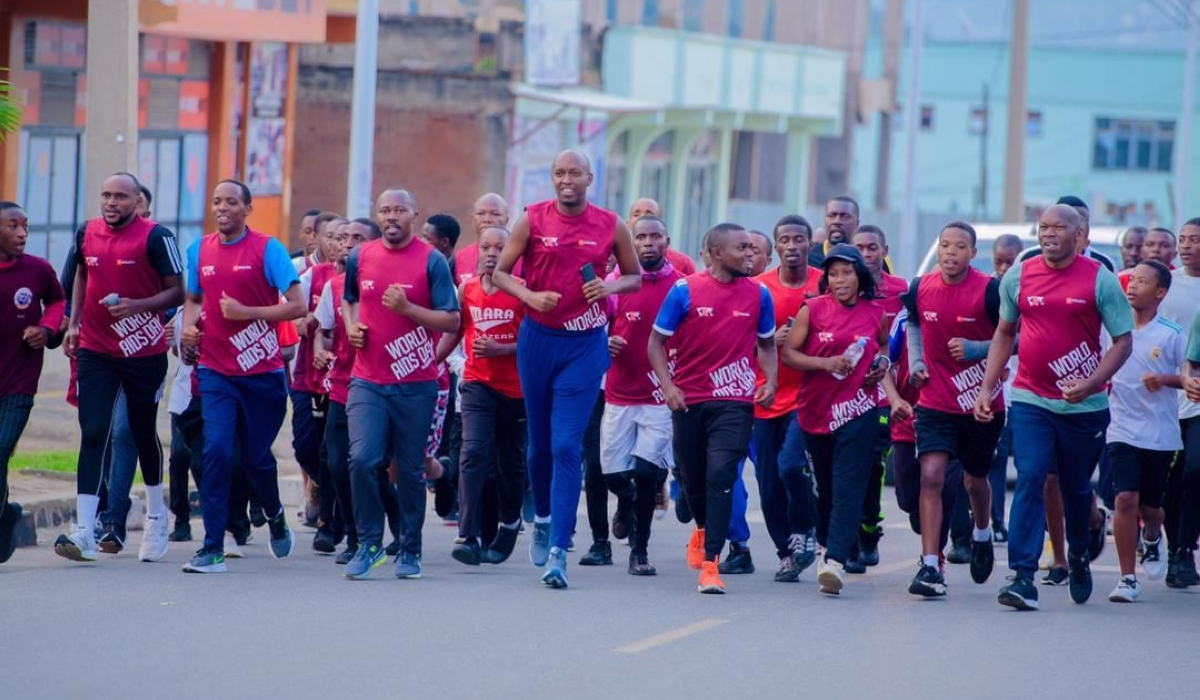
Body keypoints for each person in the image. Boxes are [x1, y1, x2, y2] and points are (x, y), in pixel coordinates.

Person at [492, 150, 640, 589]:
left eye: (575, 172)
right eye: (559, 173)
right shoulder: (532, 219)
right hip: (538, 341)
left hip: (585, 345)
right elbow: (500, 273)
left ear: (590, 178)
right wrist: (530, 297)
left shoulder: (612, 224)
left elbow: (633, 276)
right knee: (539, 446)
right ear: (552, 179)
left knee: (566, 445)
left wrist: (609, 288)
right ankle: (541, 518)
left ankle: (558, 550)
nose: (566, 180)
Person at [975, 204, 1133, 611]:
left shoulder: (1099, 278)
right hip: (1031, 398)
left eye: (1058, 227)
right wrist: (987, 388)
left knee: (1075, 488)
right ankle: (1022, 576)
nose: (1048, 233)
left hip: (1084, 406)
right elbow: (1004, 333)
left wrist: (1092, 383)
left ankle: (1078, 552)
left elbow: (1122, 342)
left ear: (1079, 234)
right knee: (1030, 477)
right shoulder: (1020, 275)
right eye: (1043, 227)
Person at [56, 172, 184, 564]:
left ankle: (157, 515)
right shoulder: (86, 232)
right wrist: (75, 323)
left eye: (121, 197)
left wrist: (137, 306)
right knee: (94, 431)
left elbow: (179, 290)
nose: (112, 203)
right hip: (96, 348)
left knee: (142, 432)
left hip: (143, 350)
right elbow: (82, 273)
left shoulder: (156, 237)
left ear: (137, 202)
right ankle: (85, 529)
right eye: (106, 195)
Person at [178, 179, 305, 573]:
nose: (222, 208)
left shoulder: (268, 250)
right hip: (216, 370)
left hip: (262, 373)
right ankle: (212, 548)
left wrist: (248, 313)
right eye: (217, 201)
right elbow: (194, 298)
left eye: (231, 202)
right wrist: (189, 327)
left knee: (255, 459)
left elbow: (298, 306)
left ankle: (275, 513)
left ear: (248, 209)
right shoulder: (199, 250)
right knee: (217, 452)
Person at [649, 223, 777, 594]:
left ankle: (711, 564)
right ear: (717, 253)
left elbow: (767, 346)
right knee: (693, 477)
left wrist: (770, 381)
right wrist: (668, 386)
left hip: (736, 401)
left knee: (722, 474)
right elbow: (655, 343)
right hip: (689, 399)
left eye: (752, 248)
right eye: (742, 248)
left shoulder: (760, 294)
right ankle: (703, 528)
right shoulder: (685, 291)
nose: (750, 254)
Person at [340, 189, 459, 581]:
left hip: (416, 383)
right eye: (385, 210)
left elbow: (451, 320)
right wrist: (352, 326)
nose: (392, 216)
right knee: (362, 459)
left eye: (399, 210)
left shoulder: (432, 260)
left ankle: (410, 548)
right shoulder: (360, 256)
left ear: (414, 214)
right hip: (368, 380)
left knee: (408, 470)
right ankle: (369, 543)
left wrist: (408, 309)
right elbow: (349, 299)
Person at [782, 244, 912, 595]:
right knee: (824, 488)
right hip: (816, 412)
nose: (840, 280)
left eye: (847, 273)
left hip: (859, 410)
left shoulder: (876, 313)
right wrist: (825, 363)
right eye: (833, 274)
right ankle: (826, 543)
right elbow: (789, 353)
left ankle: (835, 560)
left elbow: (883, 348)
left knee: (849, 485)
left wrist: (883, 368)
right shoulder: (812, 309)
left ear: (860, 276)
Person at [903, 222, 1004, 597]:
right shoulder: (920, 287)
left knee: (974, 481)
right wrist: (916, 362)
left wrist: (976, 349)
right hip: (935, 400)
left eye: (960, 246)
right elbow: (913, 324)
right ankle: (930, 565)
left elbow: (1016, 337)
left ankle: (982, 533)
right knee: (931, 476)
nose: (950, 252)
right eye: (945, 245)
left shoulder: (990, 290)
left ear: (972, 253)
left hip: (981, 402)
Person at [597, 215, 685, 575]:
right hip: (619, 393)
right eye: (641, 237)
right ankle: (626, 500)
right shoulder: (615, 283)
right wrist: (604, 342)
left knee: (648, 473)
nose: (649, 243)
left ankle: (640, 551)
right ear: (631, 244)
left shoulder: (681, 286)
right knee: (614, 477)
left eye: (655, 236)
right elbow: (592, 326)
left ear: (667, 242)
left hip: (660, 396)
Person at [434, 225, 527, 566]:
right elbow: (456, 331)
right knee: (472, 453)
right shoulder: (468, 288)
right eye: (486, 247)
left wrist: (502, 349)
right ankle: (468, 535)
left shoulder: (522, 291)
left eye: (499, 247)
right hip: (477, 384)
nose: (491, 253)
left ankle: (510, 522)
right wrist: (432, 363)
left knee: (509, 464)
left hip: (516, 391)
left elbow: (535, 343)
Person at [749, 215, 824, 583]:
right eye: (785, 240)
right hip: (766, 395)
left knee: (791, 466)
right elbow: (736, 340)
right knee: (768, 484)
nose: (792, 246)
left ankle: (805, 530)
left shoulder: (823, 284)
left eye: (799, 239)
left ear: (810, 244)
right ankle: (787, 553)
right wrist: (767, 342)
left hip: (807, 395)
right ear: (775, 246)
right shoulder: (758, 288)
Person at [1106, 260, 1184, 602]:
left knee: (1151, 509)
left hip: (1160, 434)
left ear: (1161, 292)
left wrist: (1165, 379)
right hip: (1120, 428)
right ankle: (1127, 578)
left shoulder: (1171, 334)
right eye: (1132, 280)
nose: (1133, 286)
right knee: (1125, 499)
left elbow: (1189, 377)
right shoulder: (1112, 329)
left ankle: (1152, 537)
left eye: (1142, 281)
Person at [314, 217, 385, 566]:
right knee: (338, 463)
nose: (349, 244)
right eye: (346, 238)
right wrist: (319, 348)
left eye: (359, 238)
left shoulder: (389, 283)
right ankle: (356, 534)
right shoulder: (335, 286)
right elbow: (323, 330)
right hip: (344, 385)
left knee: (374, 465)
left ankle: (394, 532)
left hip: (384, 386)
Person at [0, 202, 66, 563]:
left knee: (0, 450)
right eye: (13, 226)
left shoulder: (38, 269)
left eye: (25, 226)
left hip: (19, 383)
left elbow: (58, 301)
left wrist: (46, 329)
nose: (23, 233)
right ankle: (6, 515)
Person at [851, 224, 908, 569]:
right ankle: (846, 540)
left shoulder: (901, 290)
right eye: (859, 248)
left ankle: (869, 530)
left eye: (872, 247)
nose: (866, 254)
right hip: (842, 395)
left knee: (873, 464)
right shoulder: (839, 286)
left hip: (884, 395)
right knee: (845, 467)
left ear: (884, 251)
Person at [1160, 218, 1200, 587]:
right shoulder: (1167, 285)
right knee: (1170, 479)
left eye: (1195, 240)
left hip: (1197, 397)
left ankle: (1186, 547)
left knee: (1194, 471)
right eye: (1183, 239)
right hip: (1167, 394)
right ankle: (1175, 550)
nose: (1186, 246)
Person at [987, 233, 1025, 542]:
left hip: (1022, 389)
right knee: (994, 458)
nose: (1002, 269)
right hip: (993, 388)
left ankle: (1017, 522)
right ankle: (993, 520)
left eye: (1009, 263)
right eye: (998, 262)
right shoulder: (988, 291)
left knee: (1022, 462)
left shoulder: (1029, 291)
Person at [628, 197, 697, 274]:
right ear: (628, 223)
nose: (642, 218)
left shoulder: (684, 263)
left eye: (649, 214)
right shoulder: (618, 260)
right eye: (636, 215)